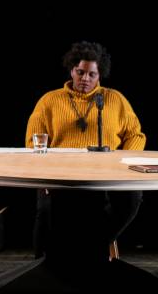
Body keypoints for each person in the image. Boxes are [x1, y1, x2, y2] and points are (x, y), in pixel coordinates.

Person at [25, 41, 146, 262]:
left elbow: (135, 135)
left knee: (132, 197)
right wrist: (43, 173)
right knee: (46, 210)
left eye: (92, 74)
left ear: (100, 75)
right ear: (72, 69)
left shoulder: (115, 99)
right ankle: (41, 267)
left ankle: (86, 250)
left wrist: (124, 163)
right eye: (80, 72)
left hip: (106, 174)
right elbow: (34, 142)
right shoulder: (49, 100)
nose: (85, 79)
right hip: (59, 175)